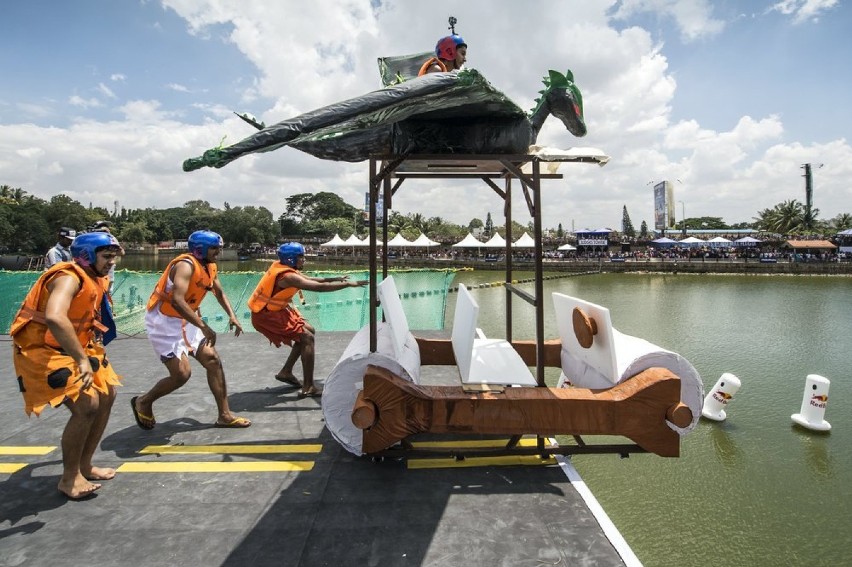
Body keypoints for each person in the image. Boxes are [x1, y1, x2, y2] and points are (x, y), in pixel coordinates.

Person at [11, 232, 124, 499]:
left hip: (75, 346)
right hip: (43, 350)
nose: (111, 262)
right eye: (106, 257)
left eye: (113, 257)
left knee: (107, 394)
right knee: (87, 405)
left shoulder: (96, 279)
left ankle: (85, 465)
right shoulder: (68, 277)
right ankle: (69, 477)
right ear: (86, 256)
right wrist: (81, 360)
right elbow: (54, 317)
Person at [131, 230, 250, 429]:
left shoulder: (209, 266)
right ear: (200, 248)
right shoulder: (185, 266)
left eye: (219, 248)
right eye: (214, 248)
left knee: (213, 360)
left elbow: (219, 292)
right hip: (165, 322)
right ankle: (143, 401)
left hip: (188, 320)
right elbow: (177, 301)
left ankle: (225, 415)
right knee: (181, 375)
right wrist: (203, 326)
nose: (218, 253)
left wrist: (232, 315)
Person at [248, 242, 367, 397]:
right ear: (291, 259)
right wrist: (347, 284)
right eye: (301, 257)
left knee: (309, 330)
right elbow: (315, 287)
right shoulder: (288, 276)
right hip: (266, 316)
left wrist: (334, 278)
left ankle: (286, 371)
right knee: (307, 338)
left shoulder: (286, 269)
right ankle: (308, 386)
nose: (303, 260)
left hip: (276, 311)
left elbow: (310, 279)